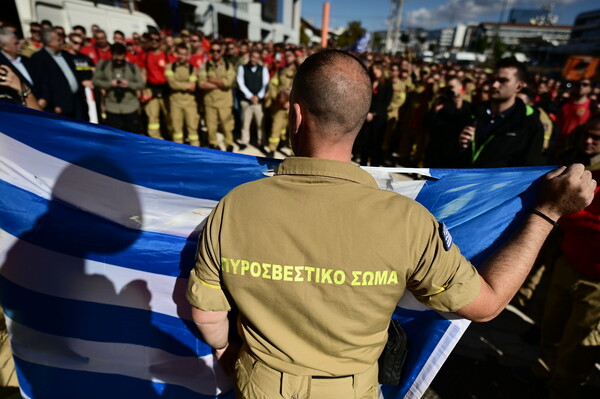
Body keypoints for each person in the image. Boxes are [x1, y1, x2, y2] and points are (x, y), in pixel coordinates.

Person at [186, 49, 596, 399]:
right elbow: (487, 306)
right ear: (363, 120)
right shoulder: (408, 223)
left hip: (259, 385)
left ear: (295, 116)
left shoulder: (234, 207)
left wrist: (228, 356)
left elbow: (207, 316)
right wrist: (547, 213)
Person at [532, 115, 600, 399]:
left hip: (596, 283)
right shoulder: (577, 164)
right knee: (550, 328)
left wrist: (560, 212)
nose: (588, 140)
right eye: (587, 133)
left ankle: (561, 390)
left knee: (578, 345)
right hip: (568, 262)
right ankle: (540, 378)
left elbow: (581, 218)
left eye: (596, 138)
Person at [456, 57, 544, 168]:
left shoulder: (530, 124)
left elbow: (529, 168)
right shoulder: (471, 112)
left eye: (503, 80)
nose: (494, 85)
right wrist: (458, 144)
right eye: (492, 80)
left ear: (519, 86)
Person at [30, 27, 87, 119]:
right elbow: (43, 83)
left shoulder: (66, 55)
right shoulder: (39, 58)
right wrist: (54, 104)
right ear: (49, 42)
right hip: (60, 107)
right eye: (58, 40)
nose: (62, 42)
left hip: (77, 102)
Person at [92, 43, 144, 133]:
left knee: (132, 135)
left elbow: (141, 84)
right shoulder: (103, 65)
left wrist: (128, 84)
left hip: (130, 107)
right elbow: (95, 81)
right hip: (111, 107)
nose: (119, 62)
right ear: (112, 55)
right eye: (116, 60)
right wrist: (109, 84)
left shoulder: (132, 67)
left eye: (121, 59)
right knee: (112, 136)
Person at [198, 41, 236, 151]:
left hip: (225, 102)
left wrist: (210, 80)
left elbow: (228, 83)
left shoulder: (229, 66)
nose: (215, 53)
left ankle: (228, 144)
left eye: (218, 51)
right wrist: (220, 83)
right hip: (210, 102)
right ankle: (213, 145)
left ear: (222, 52)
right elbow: (201, 84)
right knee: (211, 127)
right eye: (213, 51)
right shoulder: (205, 66)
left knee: (227, 126)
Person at [165, 43, 200, 146]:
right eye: (180, 54)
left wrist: (178, 84)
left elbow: (193, 86)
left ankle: (196, 153)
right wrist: (186, 85)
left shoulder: (192, 69)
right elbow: (171, 84)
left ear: (188, 55)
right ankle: (179, 152)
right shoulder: (170, 67)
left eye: (184, 54)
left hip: (190, 103)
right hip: (175, 102)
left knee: (193, 130)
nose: (182, 56)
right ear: (176, 54)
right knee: (177, 131)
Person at [265, 47, 298, 156]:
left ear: (294, 57)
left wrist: (292, 102)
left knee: (294, 132)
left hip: (294, 106)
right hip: (279, 105)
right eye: (286, 56)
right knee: (276, 128)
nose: (287, 58)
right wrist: (277, 99)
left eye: (290, 56)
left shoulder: (299, 72)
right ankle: (272, 149)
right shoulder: (280, 71)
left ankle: (293, 154)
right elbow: (272, 85)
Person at [236, 48, 269, 150]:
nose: (254, 59)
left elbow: (265, 84)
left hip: (259, 101)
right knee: (245, 123)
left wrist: (258, 96)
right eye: (253, 57)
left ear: (259, 59)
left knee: (260, 124)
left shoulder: (263, 69)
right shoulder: (242, 68)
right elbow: (240, 83)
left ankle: (261, 142)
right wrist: (250, 96)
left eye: (257, 58)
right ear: (250, 57)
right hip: (246, 101)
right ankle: (244, 142)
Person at [142, 31, 171, 140]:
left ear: (160, 41)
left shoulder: (166, 55)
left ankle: (171, 138)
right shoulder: (145, 55)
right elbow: (143, 72)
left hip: (166, 90)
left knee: (169, 117)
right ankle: (155, 140)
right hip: (151, 89)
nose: (154, 42)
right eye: (151, 39)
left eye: (156, 40)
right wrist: (143, 89)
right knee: (153, 118)